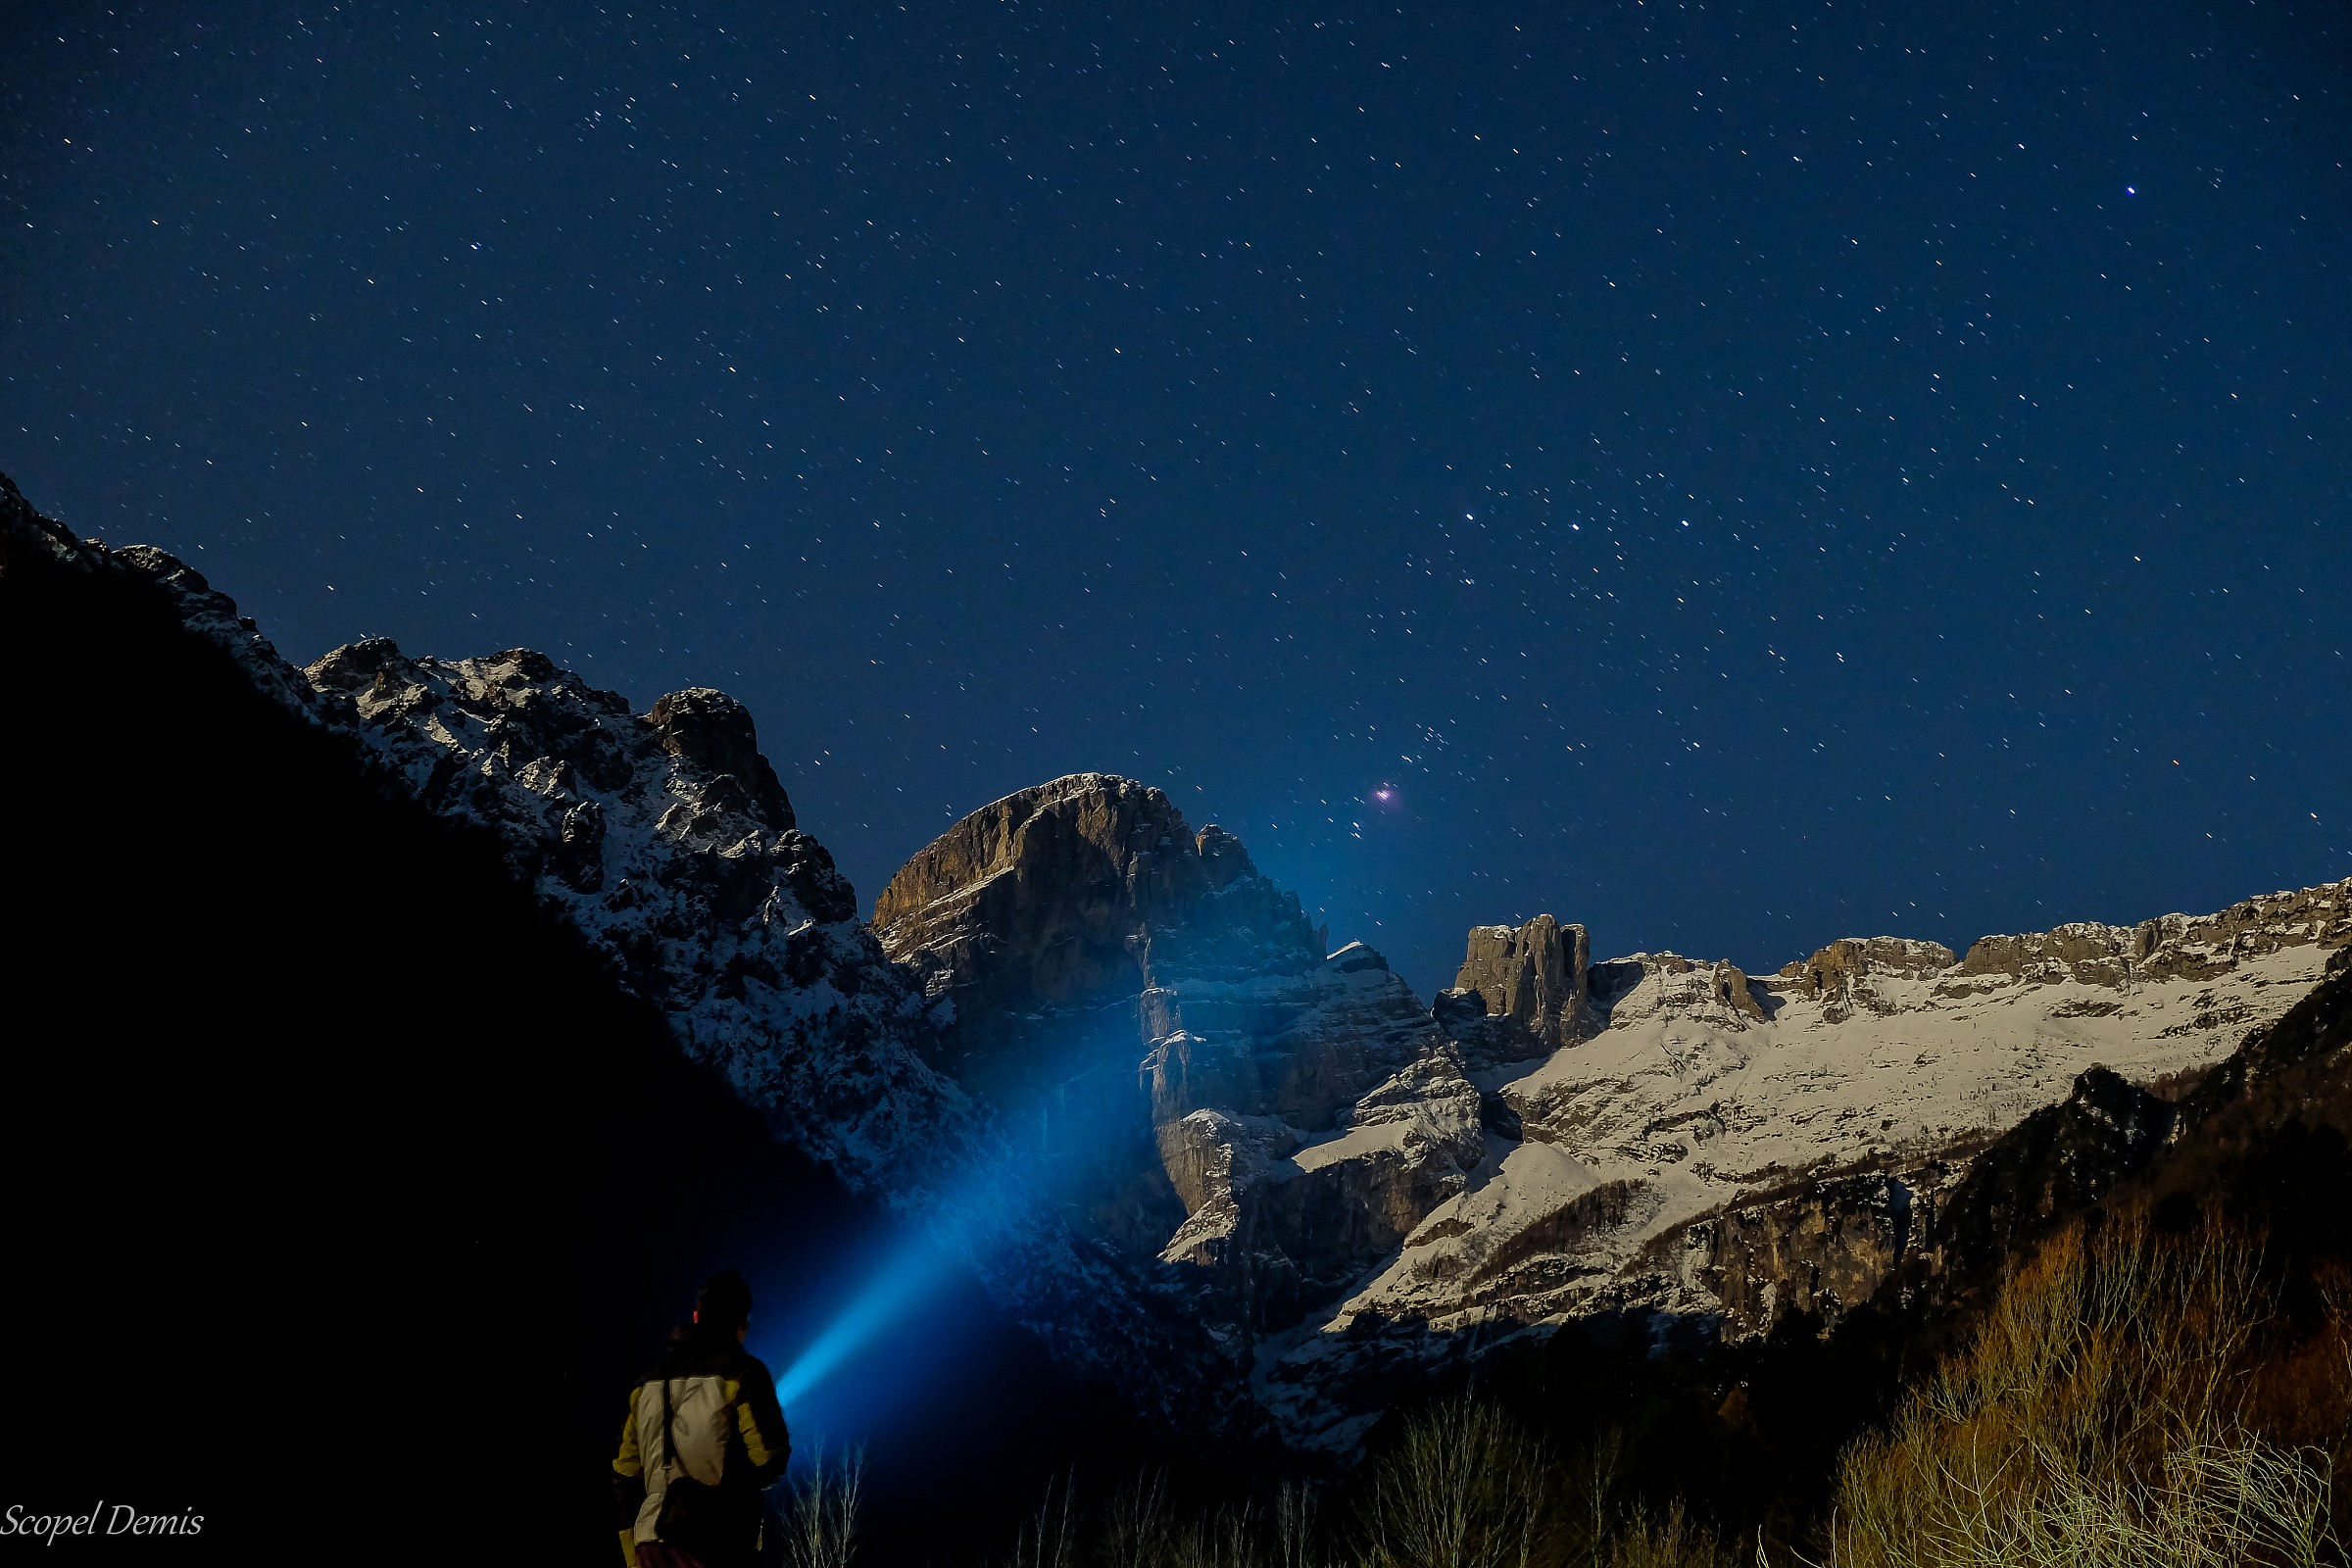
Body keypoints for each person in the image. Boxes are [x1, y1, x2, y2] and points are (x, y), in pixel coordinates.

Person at [612, 1271, 791, 1568]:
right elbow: (770, 1458)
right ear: (741, 1323)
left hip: (650, 1545)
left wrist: (633, 1551)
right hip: (715, 1542)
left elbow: (623, 1474)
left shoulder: (644, 1387)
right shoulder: (743, 1373)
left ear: (697, 1317)